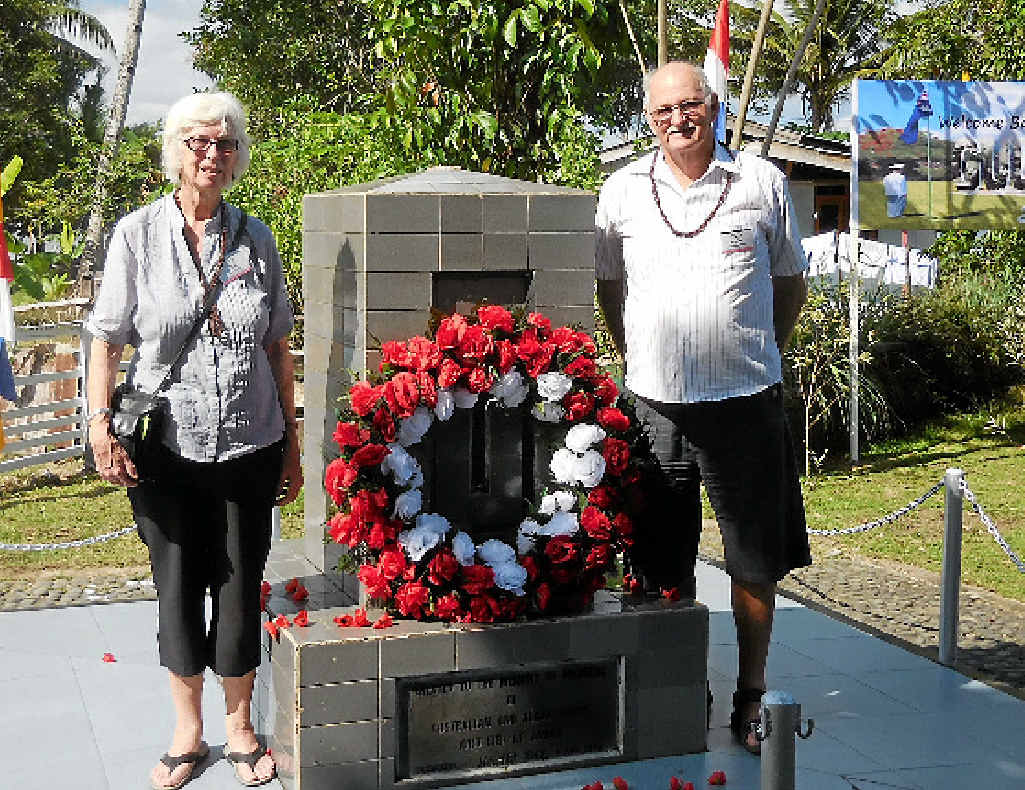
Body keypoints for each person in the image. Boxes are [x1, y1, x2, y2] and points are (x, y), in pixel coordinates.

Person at [85, 91, 302, 789]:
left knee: (239, 589)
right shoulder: (135, 235)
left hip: (251, 440)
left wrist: (292, 443)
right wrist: (97, 424)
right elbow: (106, 340)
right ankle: (188, 729)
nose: (212, 154)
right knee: (178, 587)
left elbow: (277, 347)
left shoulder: (255, 237)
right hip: (166, 447)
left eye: (225, 143)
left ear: (237, 155)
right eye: (198, 142)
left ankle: (240, 726)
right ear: (174, 151)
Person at [595, 62, 811, 755]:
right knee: (660, 557)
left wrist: (757, 352)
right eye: (662, 111)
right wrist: (640, 358)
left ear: (712, 108)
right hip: (654, 406)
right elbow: (610, 288)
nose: (676, 120)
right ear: (647, 118)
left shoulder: (760, 183)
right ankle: (680, 684)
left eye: (689, 105)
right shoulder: (622, 190)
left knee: (752, 561)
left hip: (744, 404)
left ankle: (750, 693)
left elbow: (788, 285)